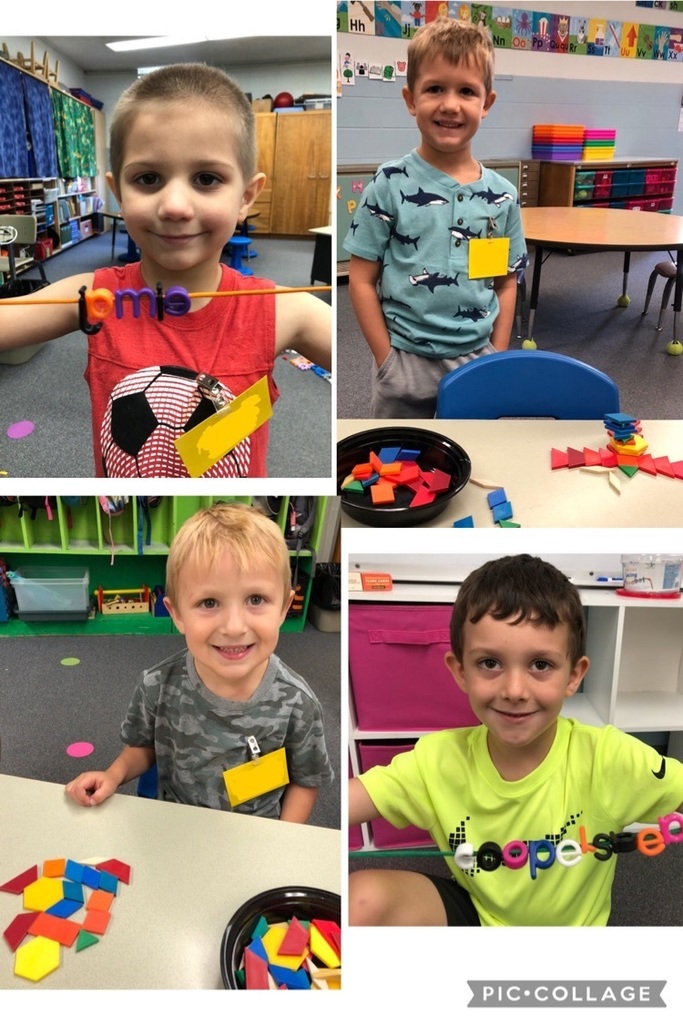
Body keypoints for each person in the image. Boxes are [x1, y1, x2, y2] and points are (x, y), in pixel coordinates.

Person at [0, 63, 331, 477]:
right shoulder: (92, 295)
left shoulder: (283, 311)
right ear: (118, 192)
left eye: (206, 178)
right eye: (149, 178)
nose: (175, 205)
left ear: (245, 197)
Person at [349, 554, 683, 926]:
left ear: (574, 676)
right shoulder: (436, 759)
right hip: (480, 914)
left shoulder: (607, 757)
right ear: (460, 671)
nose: (514, 690)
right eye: (489, 663)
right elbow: (351, 799)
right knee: (362, 899)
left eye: (541, 665)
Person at [66, 502, 334, 822]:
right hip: (177, 828)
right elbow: (143, 747)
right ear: (177, 613)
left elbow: (306, 781)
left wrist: (284, 841)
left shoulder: (297, 703)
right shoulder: (157, 686)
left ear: (283, 607)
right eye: (209, 602)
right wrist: (113, 774)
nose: (234, 626)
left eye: (256, 599)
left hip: (257, 836)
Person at [343, 19, 527, 418]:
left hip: (476, 360)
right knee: (399, 468)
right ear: (411, 99)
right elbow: (360, 279)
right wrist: (386, 359)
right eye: (434, 89)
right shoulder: (390, 182)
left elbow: (505, 281)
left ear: (486, 103)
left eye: (466, 91)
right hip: (405, 362)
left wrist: (495, 354)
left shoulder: (502, 196)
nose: (449, 104)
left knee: (472, 462)